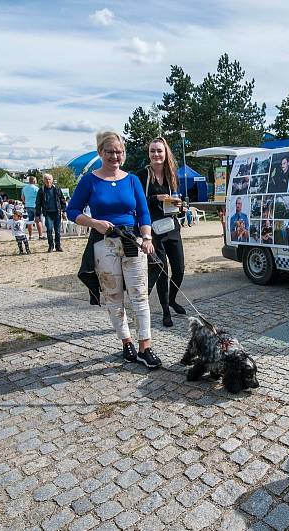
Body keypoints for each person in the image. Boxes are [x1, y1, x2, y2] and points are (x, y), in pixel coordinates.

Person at [68, 131, 162, 369]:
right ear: (100, 152)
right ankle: (126, 341)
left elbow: (143, 212)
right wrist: (93, 223)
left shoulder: (132, 179)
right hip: (104, 243)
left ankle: (145, 346)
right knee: (114, 297)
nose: (115, 156)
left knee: (140, 295)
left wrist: (147, 236)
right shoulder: (90, 180)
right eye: (109, 151)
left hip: (132, 241)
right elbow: (72, 211)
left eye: (119, 151)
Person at [137, 137, 187, 327]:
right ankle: (166, 310)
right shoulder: (143, 175)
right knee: (161, 271)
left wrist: (180, 205)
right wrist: (156, 197)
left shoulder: (172, 173)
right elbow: (138, 203)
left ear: (166, 153)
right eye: (152, 151)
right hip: (153, 229)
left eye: (159, 151)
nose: (156, 154)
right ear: (149, 154)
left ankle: (173, 299)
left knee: (180, 270)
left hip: (172, 227)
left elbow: (176, 199)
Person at [35, 173, 67, 252]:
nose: (48, 181)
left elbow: (62, 200)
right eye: (46, 179)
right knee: (49, 229)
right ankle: (51, 246)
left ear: (52, 180)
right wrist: (37, 215)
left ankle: (58, 246)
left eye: (49, 179)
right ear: (44, 181)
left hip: (57, 212)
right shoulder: (41, 190)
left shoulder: (57, 189)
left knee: (58, 230)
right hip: (48, 213)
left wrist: (64, 211)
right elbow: (38, 203)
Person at [21, 176, 43, 240]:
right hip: (35, 206)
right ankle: (40, 235)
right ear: (34, 181)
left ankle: (30, 236)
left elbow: (22, 197)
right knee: (38, 220)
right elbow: (40, 198)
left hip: (28, 206)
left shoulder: (24, 188)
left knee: (30, 221)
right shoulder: (36, 188)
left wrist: (26, 202)